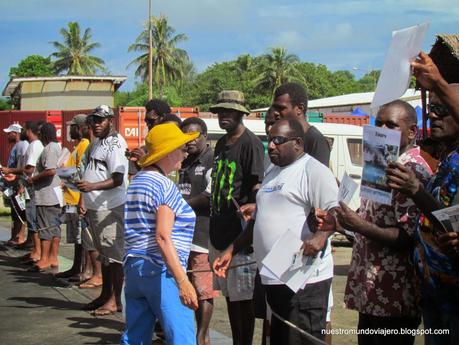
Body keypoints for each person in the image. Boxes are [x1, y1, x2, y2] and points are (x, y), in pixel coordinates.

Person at [214, 118, 338, 344]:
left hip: (304, 281)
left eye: (278, 141)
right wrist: (231, 250)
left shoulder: (313, 171)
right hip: (275, 277)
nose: (271, 146)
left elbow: (335, 214)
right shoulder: (273, 171)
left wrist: (320, 237)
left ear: (298, 143)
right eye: (269, 140)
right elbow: (259, 219)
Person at [334, 101, 433, 345]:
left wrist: (359, 225)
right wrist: (342, 223)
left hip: (393, 294)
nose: (382, 129)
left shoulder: (410, 170)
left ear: (411, 132)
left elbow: (409, 236)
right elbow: (372, 219)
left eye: (391, 125)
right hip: (372, 292)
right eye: (378, 123)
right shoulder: (382, 162)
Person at [386, 83, 459, 344]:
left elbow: (451, 222)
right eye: (431, 109)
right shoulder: (445, 159)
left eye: (442, 109)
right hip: (434, 290)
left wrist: (415, 189)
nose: (433, 116)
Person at [121, 123, 199, 345]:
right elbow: (163, 236)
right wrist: (183, 281)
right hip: (161, 269)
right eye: (182, 148)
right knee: (182, 337)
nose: (185, 153)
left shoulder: (137, 181)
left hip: (134, 267)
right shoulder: (164, 185)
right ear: (168, 152)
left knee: (135, 336)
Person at [208, 90, 264, 345]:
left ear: (241, 114)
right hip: (220, 230)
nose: (223, 116)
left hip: (241, 236)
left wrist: (253, 205)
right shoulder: (221, 143)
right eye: (220, 112)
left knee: (244, 300)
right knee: (230, 297)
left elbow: (255, 185)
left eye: (229, 112)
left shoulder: (250, 143)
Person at [76, 105, 128, 316]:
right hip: (96, 207)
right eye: (94, 121)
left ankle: (115, 300)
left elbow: (117, 178)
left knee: (114, 258)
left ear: (110, 121)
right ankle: (105, 295)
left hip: (110, 208)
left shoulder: (115, 144)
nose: (96, 124)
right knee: (105, 257)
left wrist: (92, 187)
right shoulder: (98, 143)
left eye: (101, 120)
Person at [178, 117, 217, 345]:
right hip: (183, 235)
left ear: (205, 136)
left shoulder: (212, 160)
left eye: (194, 136)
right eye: (186, 137)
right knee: (189, 287)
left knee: (204, 290)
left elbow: (209, 196)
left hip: (203, 236)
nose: (189, 142)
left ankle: (202, 336)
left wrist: (180, 206)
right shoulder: (183, 161)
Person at [54, 114, 91, 282]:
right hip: (70, 197)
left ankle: (84, 269)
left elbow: (82, 172)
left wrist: (65, 173)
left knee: (82, 237)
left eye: (72, 126)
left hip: (77, 198)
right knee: (75, 237)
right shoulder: (77, 146)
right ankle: (76, 267)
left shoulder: (85, 145)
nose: (70, 130)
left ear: (80, 127)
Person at [2, 121, 44, 263]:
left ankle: (37, 251)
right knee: (28, 217)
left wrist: (11, 172)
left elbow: (29, 170)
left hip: (31, 188)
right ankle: (34, 250)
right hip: (26, 185)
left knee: (30, 218)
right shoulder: (30, 145)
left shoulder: (31, 145)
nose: (8, 135)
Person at [27, 123, 63, 272]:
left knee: (45, 228)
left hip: (47, 195)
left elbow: (50, 170)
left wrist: (33, 179)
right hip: (54, 195)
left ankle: (45, 259)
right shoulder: (56, 147)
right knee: (54, 228)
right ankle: (52, 258)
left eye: (41, 133)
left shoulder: (49, 149)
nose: (39, 136)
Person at [271, 82, 330, 166]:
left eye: (281, 108)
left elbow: (319, 177)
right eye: (275, 108)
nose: (276, 113)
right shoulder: (284, 137)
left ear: (299, 109)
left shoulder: (315, 141)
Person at [127, 99, 172, 179]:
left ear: (163, 118)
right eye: (146, 121)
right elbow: (132, 177)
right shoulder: (145, 149)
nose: (148, 125)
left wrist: (146, 160)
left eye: (151, 121)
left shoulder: (177, 146)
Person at [2, 123, 29, 246]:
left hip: (19, 183)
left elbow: (24, 166)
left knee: (20, 211)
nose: (7, 135)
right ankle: (15, 236)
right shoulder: (17, 146)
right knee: (15, 211)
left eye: (9, 133)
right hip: (13, 183)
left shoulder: (23, 145)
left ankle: (20, 237)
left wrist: (18, 180)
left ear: (16, 133)